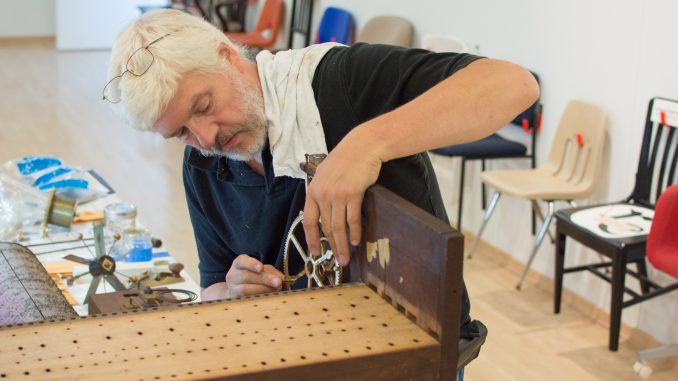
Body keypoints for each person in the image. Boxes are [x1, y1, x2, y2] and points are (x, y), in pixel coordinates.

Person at [105, 9, 538, 376]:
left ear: (227, 57)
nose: (206, 137)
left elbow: (513, 85)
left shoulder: (338, 82)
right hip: (307, 354)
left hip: (413, 350)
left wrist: (367, 143)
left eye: (203, 106)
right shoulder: (202, 164)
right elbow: (213, 286)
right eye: (180, 132)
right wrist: (233, 293)